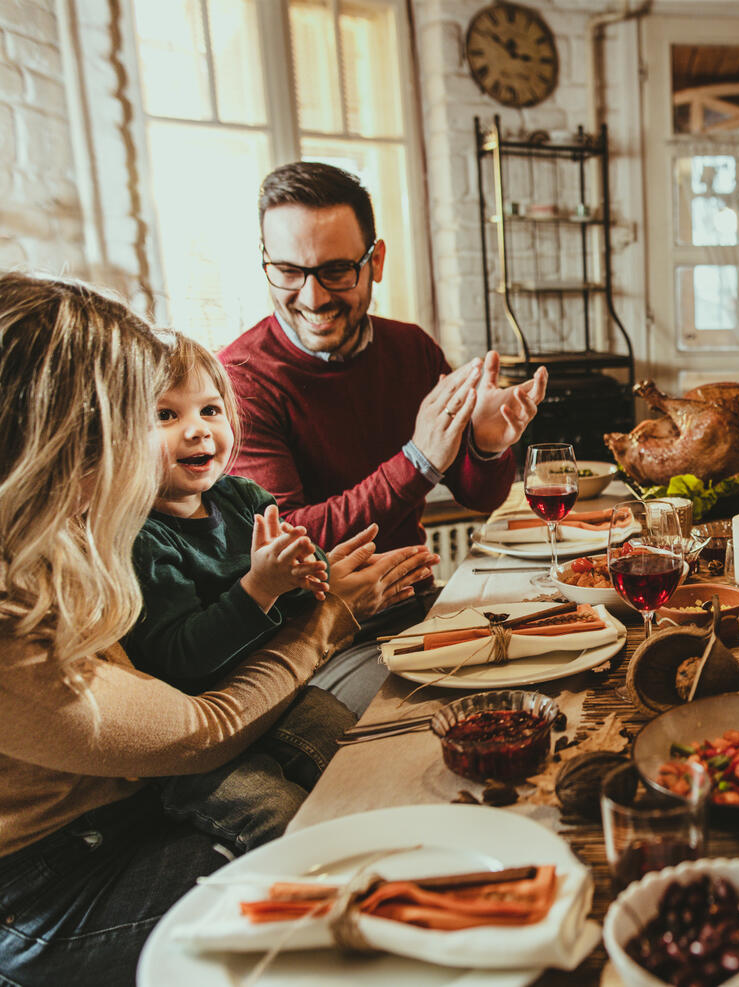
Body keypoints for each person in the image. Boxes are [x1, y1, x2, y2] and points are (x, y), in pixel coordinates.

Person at [0, 272, 427, 983]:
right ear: (55, 443)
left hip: (135, 796)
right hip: (56, 886)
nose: (143, 454)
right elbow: (199, 732)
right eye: (136, 423)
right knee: (331, 871)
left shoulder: (60, 535)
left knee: (368, 778)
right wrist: (330, 616)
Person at [220, 160, 548, 558]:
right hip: (317, 618)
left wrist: (485, 446)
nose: (312, 298)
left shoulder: (411, 348)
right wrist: (419, 459)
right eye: (288, 271)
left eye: (337, 270)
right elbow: (288, 541)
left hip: (412, 598)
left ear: (375, 262)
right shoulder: (238, 379)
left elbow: (480, 498)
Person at [123, 334, 362, 852]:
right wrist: (259, 587)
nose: (198, 430)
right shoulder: (141, 536)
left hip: (275, 698)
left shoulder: (243, 497)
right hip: (199, 733)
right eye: (166, 415)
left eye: (211, 409)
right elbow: (181, 655)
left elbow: (305, 568)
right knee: (276, 812)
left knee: (354, 749)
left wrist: (307, 572)